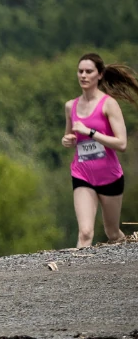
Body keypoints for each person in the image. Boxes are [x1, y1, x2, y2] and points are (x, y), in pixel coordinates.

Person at [62, 52, 133, 248]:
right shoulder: (71, 106)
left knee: (112, 232)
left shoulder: (109, 104)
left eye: (89, 71)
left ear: (99, 75)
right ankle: (78, 278)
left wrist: (91, 132)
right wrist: (67, 140)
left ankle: (125, 257)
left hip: (110, 177)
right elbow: (71, 137)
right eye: (80, 71)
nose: (83, 75)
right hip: (82, 174)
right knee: (85, 232)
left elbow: (122, 144)